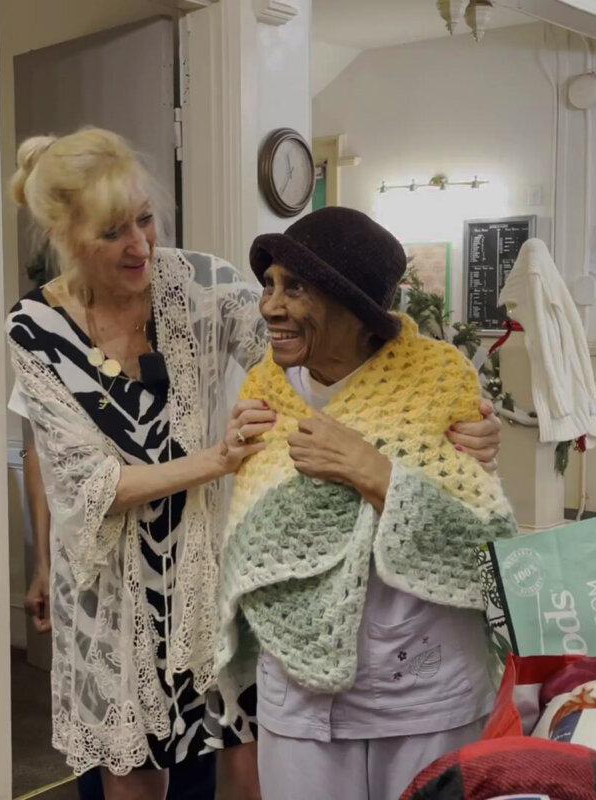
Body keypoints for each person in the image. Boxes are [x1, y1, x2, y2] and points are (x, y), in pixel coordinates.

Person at [5, 128, 502, 799]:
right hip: (114, 586)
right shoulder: (34, 329)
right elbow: (85, 481)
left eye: (146, 220)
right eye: (114, 232)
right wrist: (216, 459)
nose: (141, 246)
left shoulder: (201, 283)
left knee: (245, 748)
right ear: (66, 235)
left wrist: (448, 418)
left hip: (219, 564)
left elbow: (320, 353)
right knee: (131, 768)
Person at [216, 207, 518, 800]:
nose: (270, 306)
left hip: (423, 690)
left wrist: (373, 472)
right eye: (269, 285)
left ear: (354, 308)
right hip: (300, 695)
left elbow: (482, 546)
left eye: (294, 287)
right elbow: (255, 532)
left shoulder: (437, 380)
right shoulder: (264, 390)